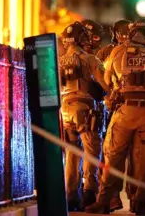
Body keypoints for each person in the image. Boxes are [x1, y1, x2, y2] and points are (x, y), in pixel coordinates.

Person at [85, 18, 145, 215]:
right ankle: (141, 203)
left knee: (113, 156)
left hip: (125, 111)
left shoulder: (118, 50)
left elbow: (107, 80)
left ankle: (104, 201)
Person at [58, 21, 110, 211]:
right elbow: (106, 85)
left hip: (65, 110)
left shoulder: (60, 60)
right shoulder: (90, 59)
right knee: (91, 150)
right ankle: (89, 192)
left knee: (72, 153)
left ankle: (71, 196)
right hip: (85, 108)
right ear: (81, 39)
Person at [96, 19, 133, 212]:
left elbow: (100, 79)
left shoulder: (107, 52)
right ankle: (134, 198)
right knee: (135, 156)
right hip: (130, 108)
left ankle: (112, 197)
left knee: (112, 155)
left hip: (114, 108)